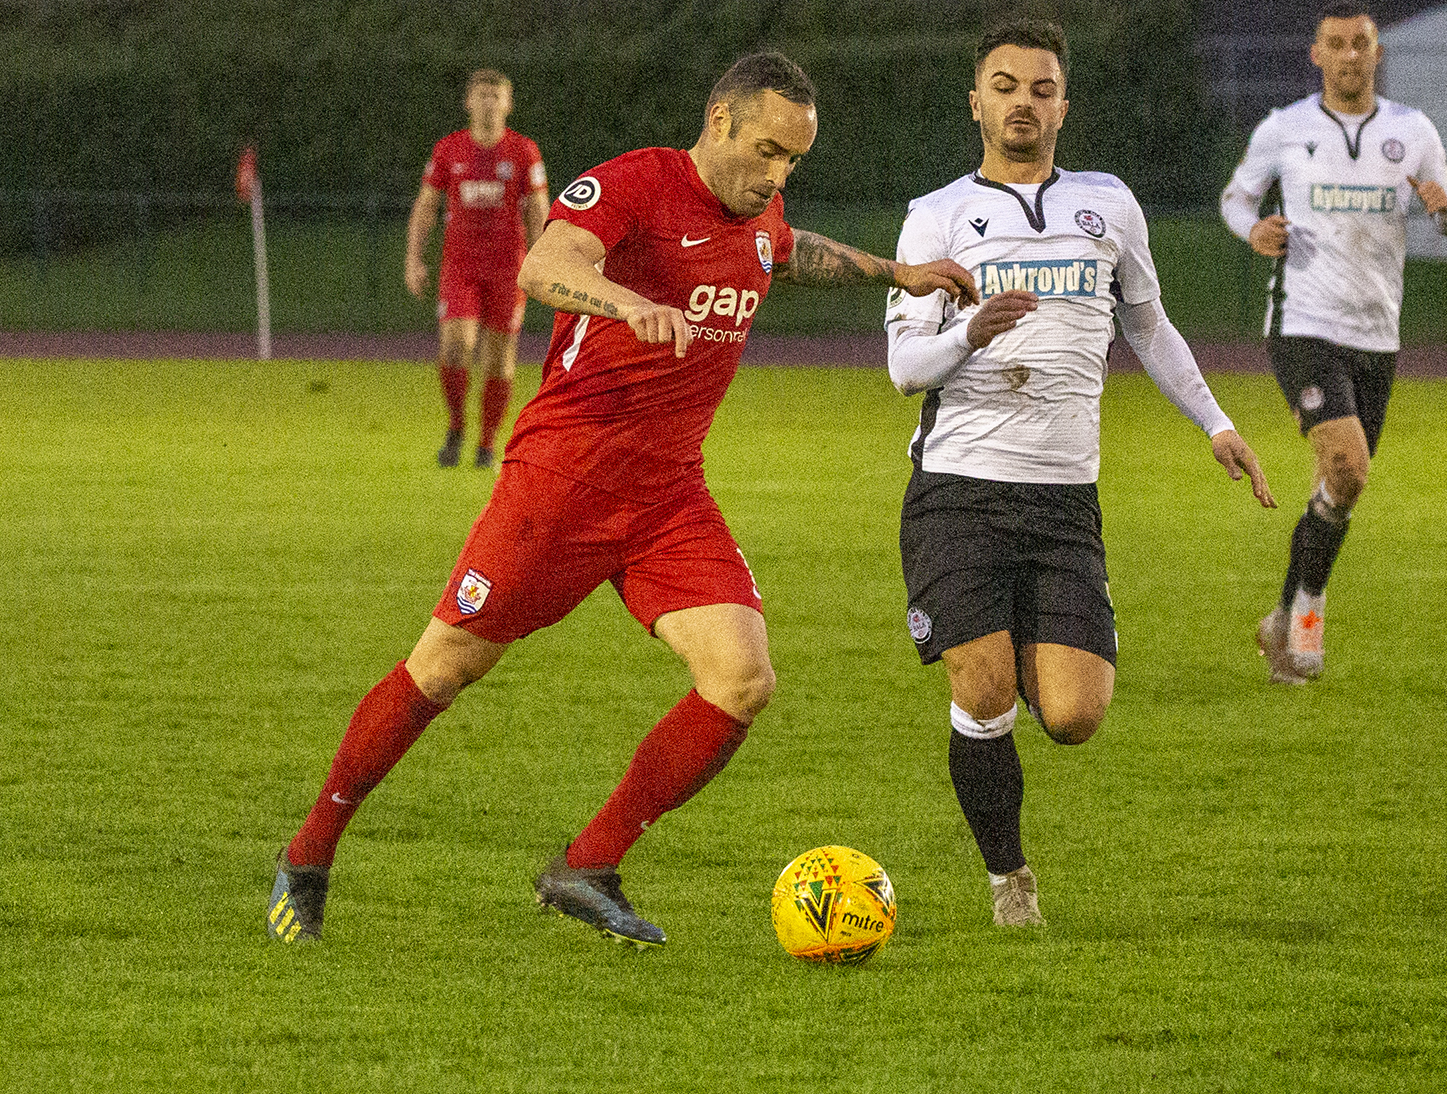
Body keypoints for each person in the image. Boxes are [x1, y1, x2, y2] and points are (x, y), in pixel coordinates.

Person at [267, 52, 978, 949]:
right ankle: (310, 851)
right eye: (766, 151)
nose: (777, 176)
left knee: (742, 678)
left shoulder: (762, 213)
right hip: (561, 484)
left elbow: (789, 253)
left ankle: (588, 863)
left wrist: (893, 272)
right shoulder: (636, 183)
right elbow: (543, 264)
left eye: (793, 160)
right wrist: (620, 303)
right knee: (443, 668)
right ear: (719, 122)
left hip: (670, 492)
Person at [885, 19, 1276, 928]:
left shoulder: (1109, 205)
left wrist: (1214, 421)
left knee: (1072, 714)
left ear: (1065, 104)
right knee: (983, 691)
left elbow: (1148, 324)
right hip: (959, 488)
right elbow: (905, 367)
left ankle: (1010, 633)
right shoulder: (937, 216)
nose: (1024, 101)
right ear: (975, 101)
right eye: (1006, 84)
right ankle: (1007, 876)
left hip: (1065, 496)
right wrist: (967, 335)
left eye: (1042, 87)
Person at [1219, 0, 1447, 685]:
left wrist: (1445, 212)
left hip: (1377, 332)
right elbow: (1236, 199)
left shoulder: (1412, 131)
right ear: (1316, 53)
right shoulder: (1285, 128)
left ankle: (1279, 617)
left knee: (1340, 488)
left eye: (1361, 42)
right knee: (1349, 466)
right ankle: (1307, 614)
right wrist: (1254, 231)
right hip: (1303, 322)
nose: (1350, 55)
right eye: (1337, 43)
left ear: (1377, 51)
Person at [405, 68, 551, 469]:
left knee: (500, 358)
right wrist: (414, 258)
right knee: (456, 345)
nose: (488, 103)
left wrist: (542, 261)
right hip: (461, 267)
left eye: (496, 96)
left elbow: (539, 209)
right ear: (468, 102)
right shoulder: (448, 150)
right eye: (481, 96)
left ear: (508, 103)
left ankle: (486, 445)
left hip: (509, 268)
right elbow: (426, 206)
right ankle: (456, 428)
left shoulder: (525, 152)